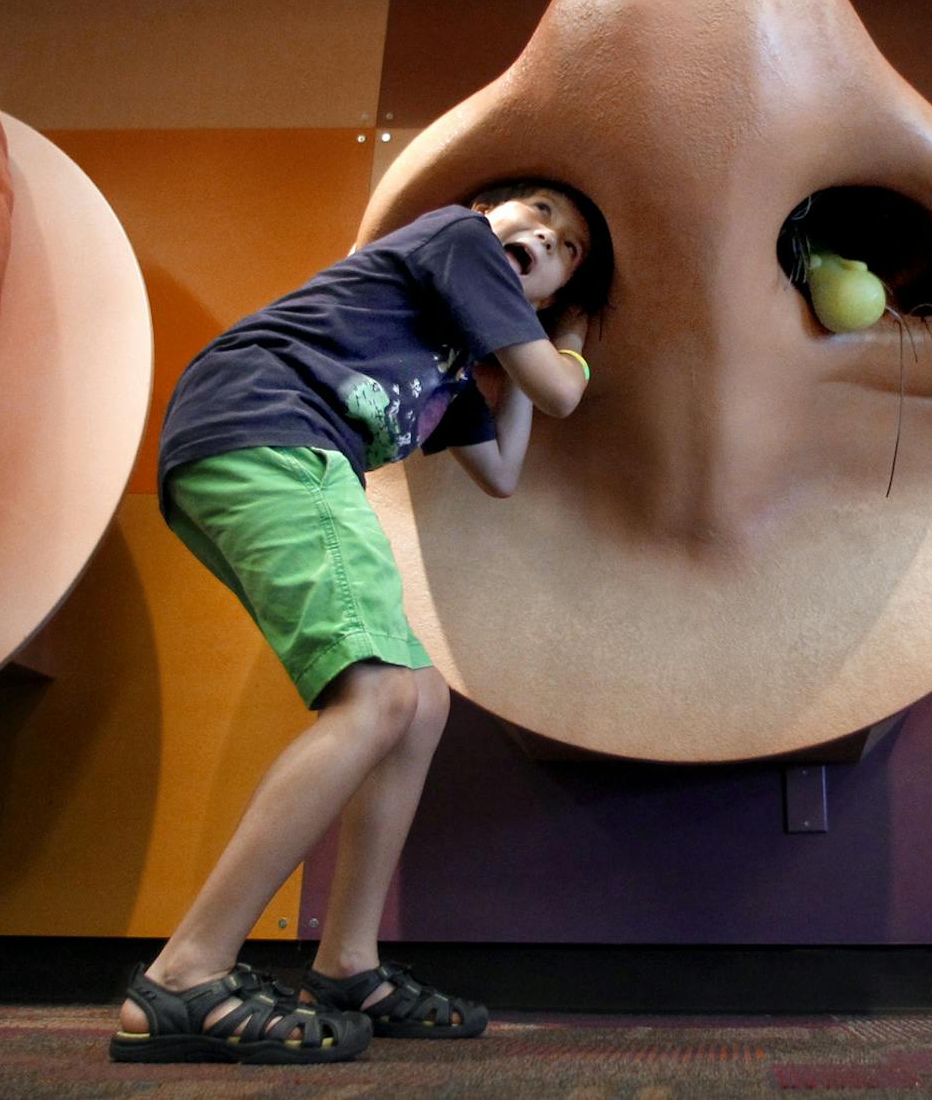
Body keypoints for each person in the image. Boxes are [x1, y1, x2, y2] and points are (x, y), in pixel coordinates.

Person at [109, 181, 612, 1064]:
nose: (543, 232)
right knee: (379, 694)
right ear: (488, 215)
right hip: (268, 429)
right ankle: (185, 973)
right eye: (534, 211)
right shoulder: (455, 235)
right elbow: (561, 396)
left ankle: (346, 961)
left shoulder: (456, 364)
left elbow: (504, 469)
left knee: (420, 698)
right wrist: (564, 344)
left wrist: (526, 345)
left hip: (259, 442)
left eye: (567, 247)